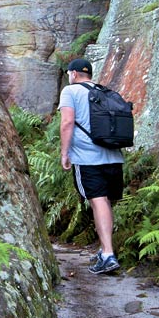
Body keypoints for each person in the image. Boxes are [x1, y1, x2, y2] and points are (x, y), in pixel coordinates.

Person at [58, 58, 124, 274]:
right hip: (113, 156)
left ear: (74, 74)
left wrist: (65, 153)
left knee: (98, 202)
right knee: (104, 203)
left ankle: (108, 254)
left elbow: (67, 122)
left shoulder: (71, 91)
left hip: (88, 158)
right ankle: (105, 249)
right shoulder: (104, 91)